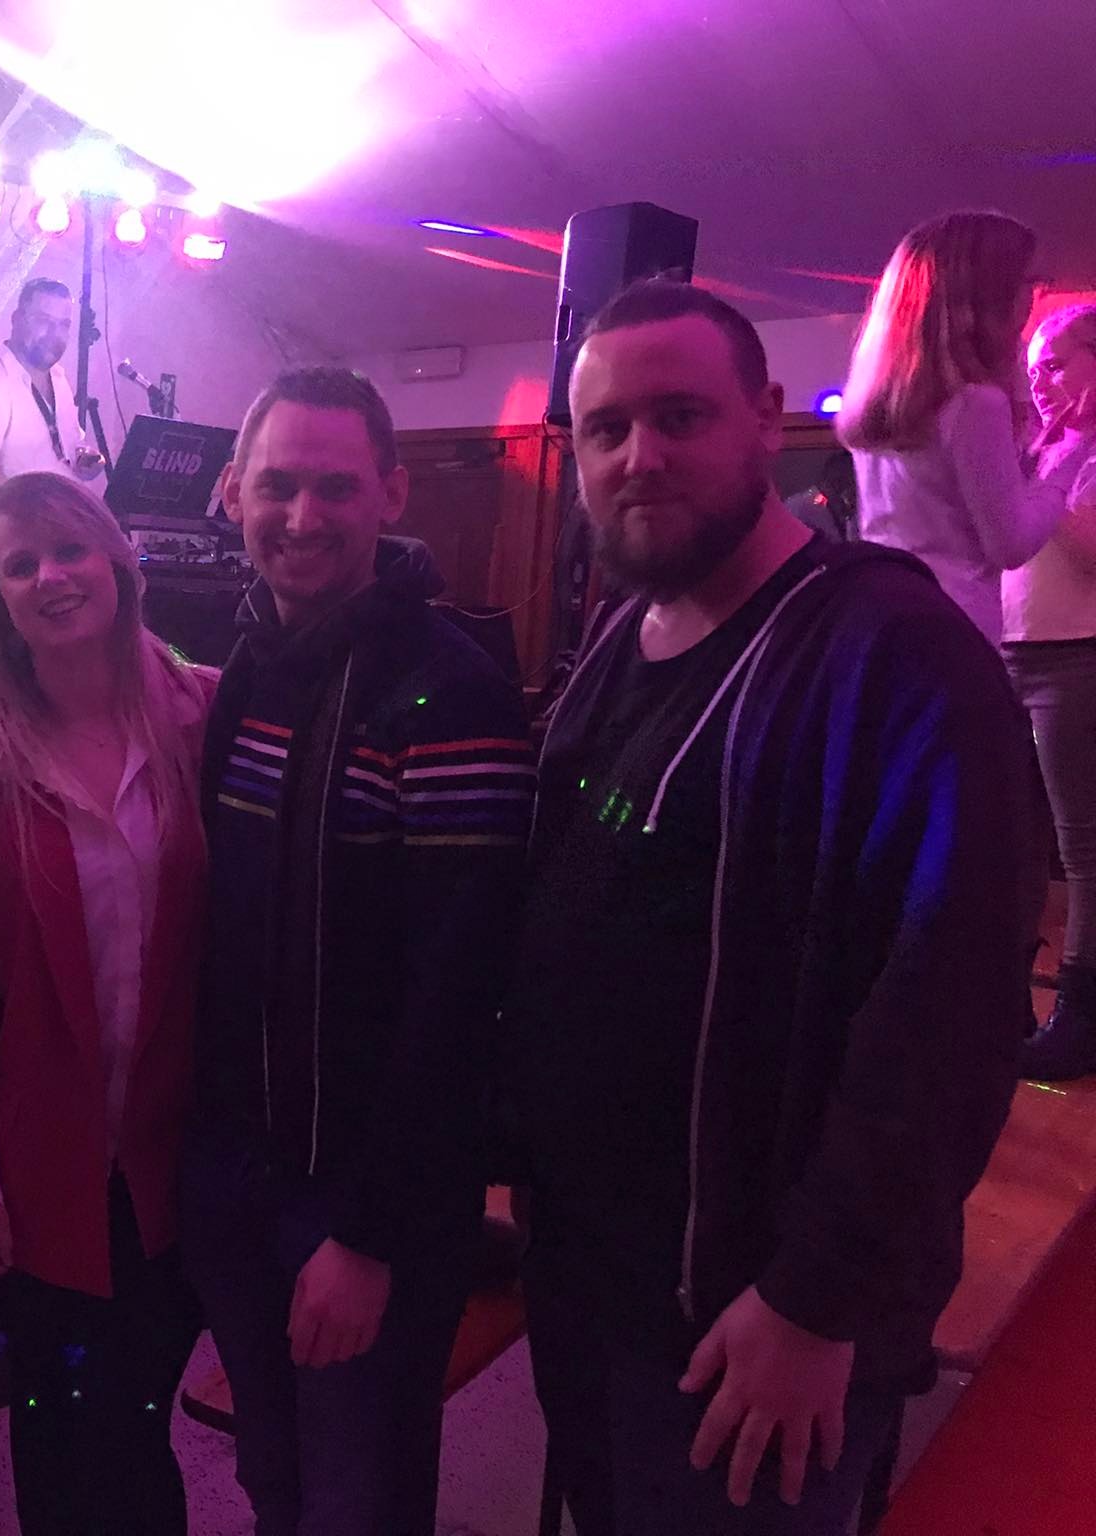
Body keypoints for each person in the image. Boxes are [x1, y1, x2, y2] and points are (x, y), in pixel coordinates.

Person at [501, 280, 1035, 1535]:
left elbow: (949, 1013)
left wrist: (813, 1299)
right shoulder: (623, 638)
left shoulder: (891, 650)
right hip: (594, 1273)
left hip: (754, 1311)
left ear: (764, 418)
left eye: (678, 416)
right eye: (606, 429)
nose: (639, 456)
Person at [181, 366, 533, 1536]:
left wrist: (369, 1234)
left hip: (362, 1203)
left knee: (357, 1500)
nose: (302, 516)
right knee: (272, 1483)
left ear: (389, 493)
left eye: (334, 487)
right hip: (237, 1174)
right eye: (276, 486)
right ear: (231, 492)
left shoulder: (446, 689)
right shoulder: (245, 666)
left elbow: (460, 994)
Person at [0, 471, 214, 1536]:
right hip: (41, 1164)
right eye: (20, 563)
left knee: (137, 1416)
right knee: (56, 1422)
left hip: (182, 1153)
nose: (51, 576)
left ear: (117, 561)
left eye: (70, 549)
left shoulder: (206, 716)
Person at [840, 210, 1064, 643]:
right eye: (1028, 283)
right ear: (990, 294)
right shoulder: (975, 404)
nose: (1032, 298)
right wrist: (1066, 466)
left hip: (884, 607)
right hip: (953, 619)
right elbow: (1011, 545)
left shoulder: (881, 399)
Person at [1007, 303, 1096, 1080]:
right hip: (1010, 653)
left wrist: (1054, 472)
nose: (1039, 379)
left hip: (1077, 656)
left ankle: (1081, 1013)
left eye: (1056, 362)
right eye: (1034, 366)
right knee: (1008, 834)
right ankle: (1005, 992)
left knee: (1082, 845)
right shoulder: (1044, 448)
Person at [0, 277, 104, 553]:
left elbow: (65, 448)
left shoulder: (59, 378)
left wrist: (86, 459)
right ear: (16, 319)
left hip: (50, 544)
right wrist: (39, 511)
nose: (54, 333)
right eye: (43, 320)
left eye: (63, 325)